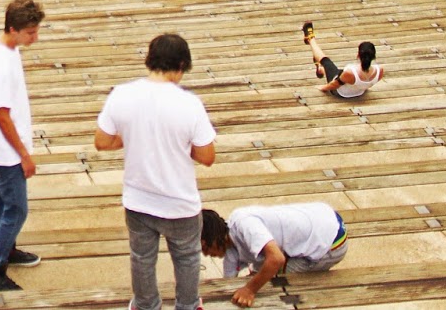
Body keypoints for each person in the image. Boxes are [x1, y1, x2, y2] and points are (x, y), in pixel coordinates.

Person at [95, 33, 217, 310]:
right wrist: (178, 144)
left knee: (142, 258)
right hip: (180, 202)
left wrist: (135, 136)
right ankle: (187, 305)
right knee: (187, 258)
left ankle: (146, 304)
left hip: (138, 199)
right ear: (182, 65)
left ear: (149, 60)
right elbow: (207, 156)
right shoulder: (190, 104)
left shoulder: (122, 94)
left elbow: (102, 142)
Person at [0, 0, 46, 294]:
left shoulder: (2, 46)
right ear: (13, 29)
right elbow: (2, 116)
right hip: (7, 148)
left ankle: (5, 247)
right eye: (30, 32)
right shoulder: (1, 65)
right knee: (16, 209)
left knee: (1, 199)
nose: (35, 37)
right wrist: (24, 155)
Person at [201, 202, 349, 307]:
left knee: (276, 287)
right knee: (260, 277)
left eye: (205, 247)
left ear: (213, 237)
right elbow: (228, 284)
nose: (206, 253)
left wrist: (249, 290)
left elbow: (276, 259)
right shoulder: (231, 250)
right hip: (321, 216)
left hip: (331, 239)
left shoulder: (244, 225)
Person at [302, 22, 383, 98]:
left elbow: (334, 85)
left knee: (326, 61)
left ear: (358, 55)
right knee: (339, 72)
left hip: (341, 93)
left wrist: (323, 88)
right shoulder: (379, 71)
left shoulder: (350, 72)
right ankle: (321, 70)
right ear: (374, 56)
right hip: (359, 91)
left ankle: (310, 39)